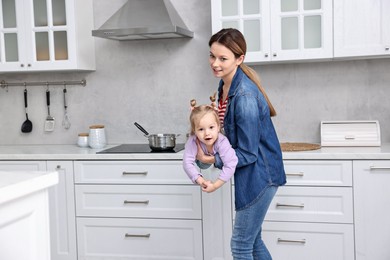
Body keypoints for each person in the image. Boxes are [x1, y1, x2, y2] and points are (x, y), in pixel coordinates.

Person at [196, 28, 286, 259]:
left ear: (240, 59)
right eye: (212, 56)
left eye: (223, 58)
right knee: (253, 242)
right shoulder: (225, 86)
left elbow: (248, 153)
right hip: (253, 174)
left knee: (241, 245)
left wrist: (213, 159)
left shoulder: (244, 96)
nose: (215, 63)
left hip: (260, 176)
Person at [183, 99, 238, 193]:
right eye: (201, 129)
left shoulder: (222, 141)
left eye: (211, 127)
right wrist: (201, 180)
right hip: (198, 160)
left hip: (210, 158)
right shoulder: (193, 140)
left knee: (230, 157)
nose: (207, 133)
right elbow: (187, 163)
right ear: (194, 131)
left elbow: (230, 164)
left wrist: (215, 185)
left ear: (218, 127)